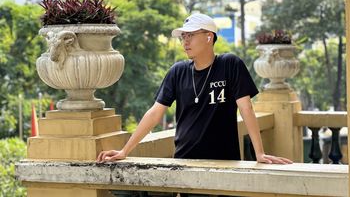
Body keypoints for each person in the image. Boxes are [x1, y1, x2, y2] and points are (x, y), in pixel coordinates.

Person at [97, 13, 292, 164]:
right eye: (183, 37)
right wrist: (124, 151)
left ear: (209, 37)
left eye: (190, 35)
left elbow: (246, 108)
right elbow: (155, 113)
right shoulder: (178, 71)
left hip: (225, 162)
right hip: (185, 162)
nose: (185, 41)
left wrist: (259, 153)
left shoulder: (230, 64)